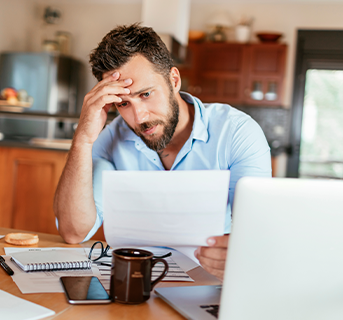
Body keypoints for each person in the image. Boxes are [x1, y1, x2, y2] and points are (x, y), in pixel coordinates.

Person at [54, 23, 271, 281]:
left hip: (207, 282)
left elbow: (258, 235)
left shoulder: (236, 133)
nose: (138, 117)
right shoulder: (112, 136)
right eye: (123, 103)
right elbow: (73, 232)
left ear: (174, 80)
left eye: (145, 94)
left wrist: (243, 251)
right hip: (133, 283)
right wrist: (83, 139)